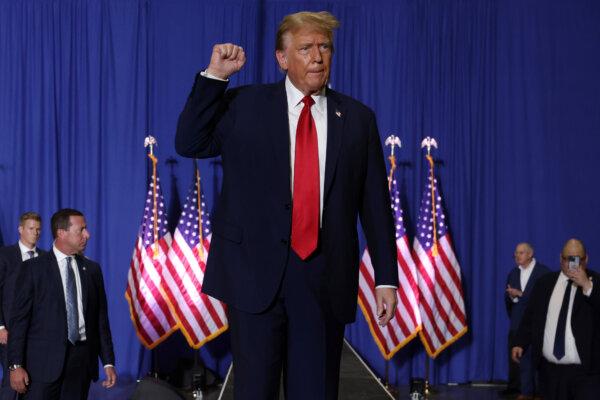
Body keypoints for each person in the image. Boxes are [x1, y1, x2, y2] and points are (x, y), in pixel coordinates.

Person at [175, 11, 398, 400]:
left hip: (322, 280)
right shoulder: (243, 104)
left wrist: (385, 277)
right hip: (253, 276)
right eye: (306, 48)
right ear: (282, 58)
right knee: (254, 391)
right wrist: (215, 77)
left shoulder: (358, 119)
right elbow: (190, 142)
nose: (317, 57)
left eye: (324, 47)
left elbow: (375, 205)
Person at [7, 208, 117, 399]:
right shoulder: (33, 269)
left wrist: (108, 362)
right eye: (81, 230)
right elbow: (19, 321)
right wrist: (15, 365)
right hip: (42, 367)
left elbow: (100, 319)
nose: (87, 235)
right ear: (61, 233)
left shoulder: (92, 270)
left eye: (86, 229)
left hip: (81, 363)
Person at [512, 239, 600, 400]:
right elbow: (531, 315)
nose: (572, 264)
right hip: (549, 372)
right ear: (560, 258)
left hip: (585, 374)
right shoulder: (545, 282)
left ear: (586, 259)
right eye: (568, 258)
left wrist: (587, 286)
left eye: (577, 259)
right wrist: (520, 342)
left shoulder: (595, 282)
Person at [0, 212, 45, 399]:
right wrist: (0, 327)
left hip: (37, 332)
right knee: (12, 382)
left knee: (35, 382)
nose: (35, 232)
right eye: (31, 228)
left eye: (38, 229)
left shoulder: (45, 258)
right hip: (9, 331)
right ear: (20, 230)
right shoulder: (4, 255)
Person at [503, 243, 549, 399]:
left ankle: (540, 392)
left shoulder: (543, 273)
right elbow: (508, 302)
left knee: (537, 361)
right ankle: (524, 392)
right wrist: (513, 297)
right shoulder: (513, 273)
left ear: (530, 254)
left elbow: (545, 300)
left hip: (538, 326)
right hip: (517, 324)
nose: (517, 256)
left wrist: (521, 294)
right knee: (519, 361)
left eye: (521, 253)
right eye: (515, 253)